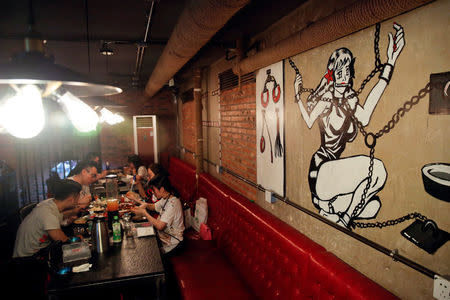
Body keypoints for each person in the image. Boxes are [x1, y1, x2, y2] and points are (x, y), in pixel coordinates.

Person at [294, 23, 405, 227]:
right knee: (377, 169)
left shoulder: (350, 99)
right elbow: (310, 120)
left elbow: (366, 115)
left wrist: (390, 62)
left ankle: (332, 212)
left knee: (373, 207)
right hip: (321, 172)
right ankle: (340, 216)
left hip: (334, 182)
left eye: (347, 70)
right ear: (332, 73)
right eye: (339, 71)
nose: (344, 75)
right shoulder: (326, 98)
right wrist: (297, 96)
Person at [13, 179, 82, 258]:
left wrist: (73, 211)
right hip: (28, 259)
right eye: (78, 196)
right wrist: (78, 240)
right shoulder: (48, 214)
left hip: (40, 250)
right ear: (72, 199)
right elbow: (63, 242)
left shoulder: (50, 203)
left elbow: (60, 215)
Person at [131, 175, 184, 254]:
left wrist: (144, 213)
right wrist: (137, 201)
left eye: (154, 190)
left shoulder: (173, 204)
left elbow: (160, 226)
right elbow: (153, 206)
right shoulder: (166, 197)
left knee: (146, 252)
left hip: (173, 244)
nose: (152, 192)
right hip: (164, 239)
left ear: (162, 189)